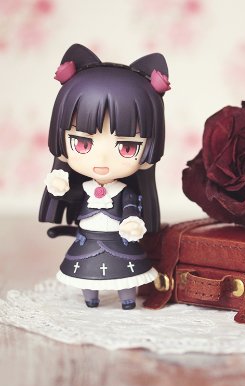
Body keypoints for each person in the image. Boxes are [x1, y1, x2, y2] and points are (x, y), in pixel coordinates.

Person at [39, 44, 170, 309]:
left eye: (127, 148)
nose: (102, 160)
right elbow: (74, 197)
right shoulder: (85, 188)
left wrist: (131, 221)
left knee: (126, 276)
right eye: (83, 143)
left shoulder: (126, 192)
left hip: (120, 245)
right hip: (87, 243)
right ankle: (91, 298)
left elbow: (131, 207)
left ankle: (127, 300)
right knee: (86, 273)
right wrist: (61, 187)